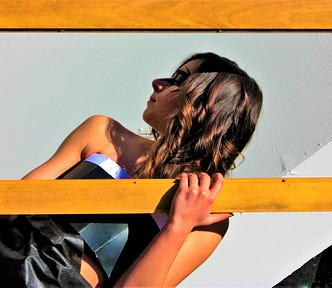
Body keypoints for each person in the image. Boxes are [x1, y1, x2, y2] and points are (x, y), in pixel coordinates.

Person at [18, 52, 262, 287]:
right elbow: (15, 207)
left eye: (178, 80)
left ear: (210, 105)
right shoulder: (101, 133)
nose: (157, 83)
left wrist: (179, 225)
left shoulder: (209, 216)